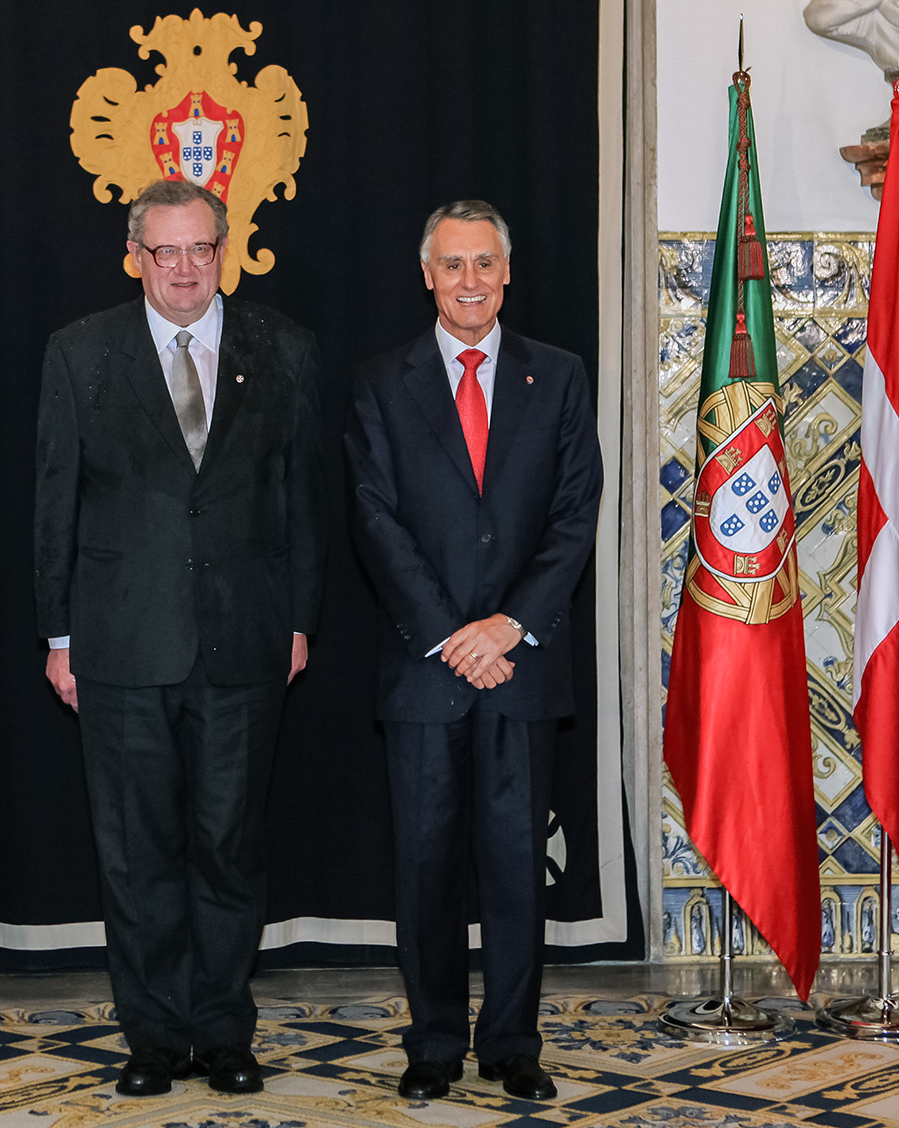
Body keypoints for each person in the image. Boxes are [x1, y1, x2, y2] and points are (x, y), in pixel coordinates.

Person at [33, 177, 324, 1097]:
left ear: (223, 248)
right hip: (120, 646)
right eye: (166, 251)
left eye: (202, 248)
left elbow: (304, 500)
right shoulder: (80, 352)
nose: (186, 268)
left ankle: (225, 1033)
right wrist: (59, 634)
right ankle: (154, 1037)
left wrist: (299, 620)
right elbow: (54, 504)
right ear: (136, 258)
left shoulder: (285, 347)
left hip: (245, 643)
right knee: (137, 851)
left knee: (230, 847)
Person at [344, 201, 603, 1103]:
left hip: (522, 665)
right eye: (452, 266)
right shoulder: (384, 381)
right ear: (427, 276)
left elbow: (574, 515)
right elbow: (375, 520)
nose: (468, 282)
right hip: (426, 670)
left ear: (506, 273)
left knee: (513, 871)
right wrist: (455, 635)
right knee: (424, 871)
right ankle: (433, 1044)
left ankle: (512, 1043)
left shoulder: (559, 376)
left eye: (484, 264)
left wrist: (510, 627)